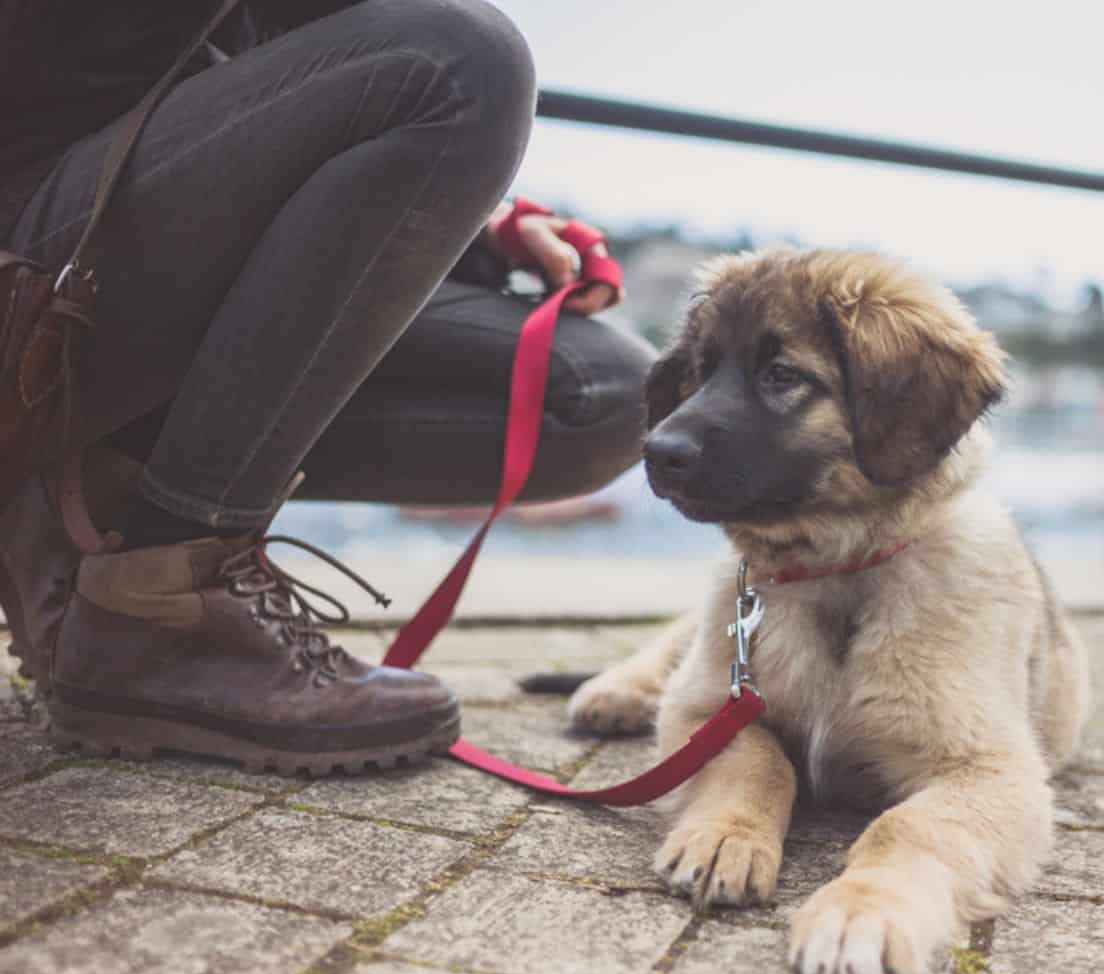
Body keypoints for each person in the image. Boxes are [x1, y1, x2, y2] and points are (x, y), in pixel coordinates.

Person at [0, 0, 655, 772]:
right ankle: (163, 592)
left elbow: (289, 80)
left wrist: (481, 227)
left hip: (151, 240)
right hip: (33, 249)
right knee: (458, 63)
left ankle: (107, 500)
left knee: (605, 394)